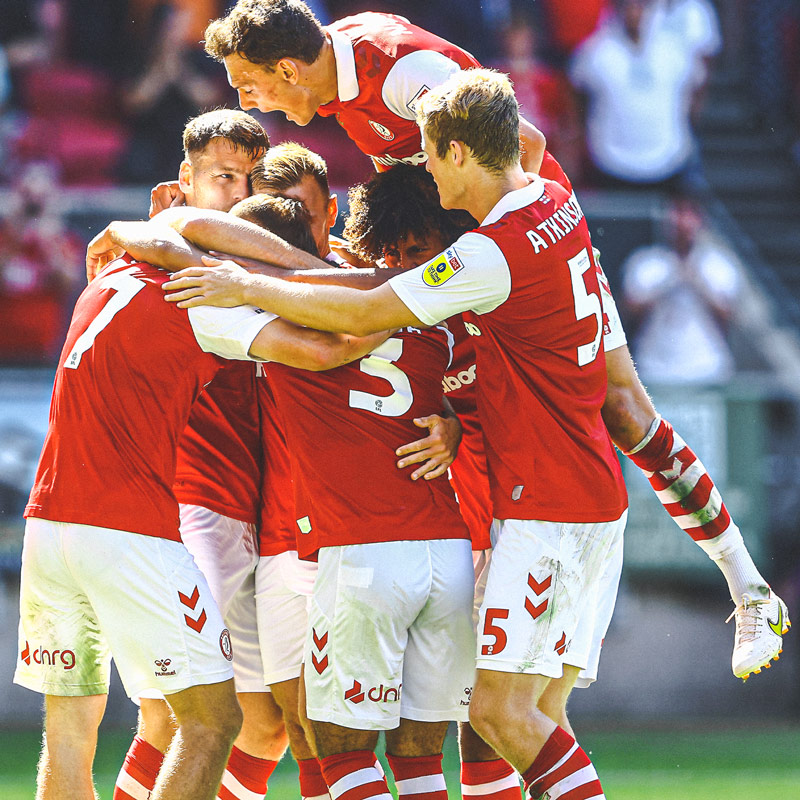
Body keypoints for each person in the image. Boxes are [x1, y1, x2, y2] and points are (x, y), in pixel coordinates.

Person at [165, 67, 627, 800]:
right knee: (411, 747)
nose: (406, 263)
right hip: (438, 546)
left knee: (338, 745)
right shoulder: (434, 308)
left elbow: (333, 331)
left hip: (359, 545)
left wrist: (193, 252)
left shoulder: (308, 305)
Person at [98, 109, 293, 800]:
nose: (240, 195)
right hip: (196, 509)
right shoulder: (181, 261)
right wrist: (138, 232)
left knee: (265, 727)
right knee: (169, 714)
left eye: (252, 179)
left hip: (261, 517)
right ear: (183, 182)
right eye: (223, 178)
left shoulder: (253, 263)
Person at [202, 0, 547, 173]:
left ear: (289, 72)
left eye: (247, 86)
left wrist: (504, 243)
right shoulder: (327, 68)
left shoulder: (403, 70)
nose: (245, 104)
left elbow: (529, 143)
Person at [568, 0, 708, 192]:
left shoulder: (676, 50)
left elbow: (697, 84)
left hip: (668, 159)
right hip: (611, 162)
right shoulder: (595, 50)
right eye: (629, 6)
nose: (635, 12)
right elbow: (577, 88)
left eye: (641, 5)